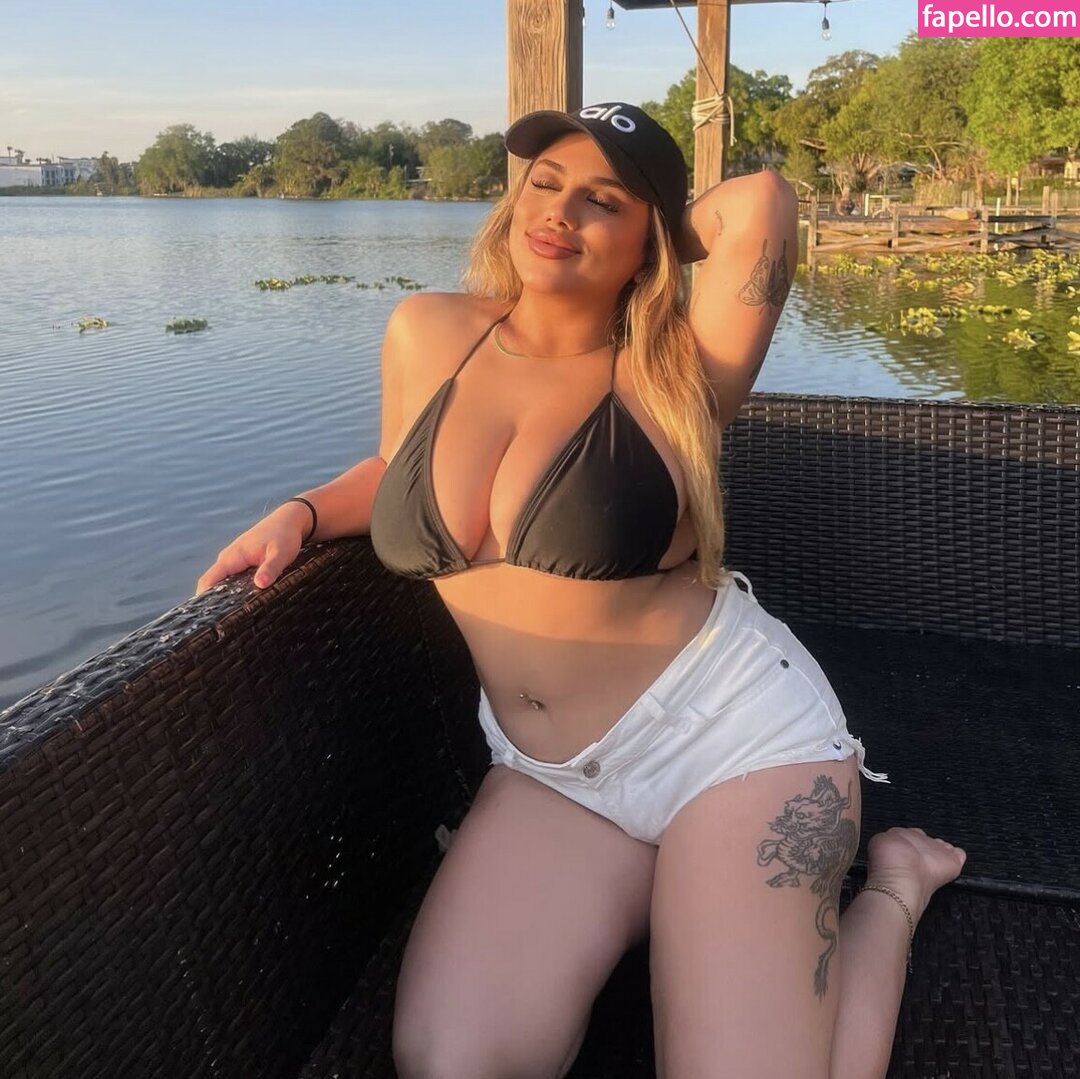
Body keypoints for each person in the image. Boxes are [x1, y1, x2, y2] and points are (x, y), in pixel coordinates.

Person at [197, 102, 966, 1078]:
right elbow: (396, 467)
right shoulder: (429, 330)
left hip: (730, 744)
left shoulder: (679, 372)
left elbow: (765, 201)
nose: (559, 212)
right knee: (449, 1061)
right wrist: (303, 512)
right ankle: (672, 878)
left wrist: (660, 227)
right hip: (550, 775)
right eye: (546, 184)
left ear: (650, 238)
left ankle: (896, 888)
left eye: (603, 201)